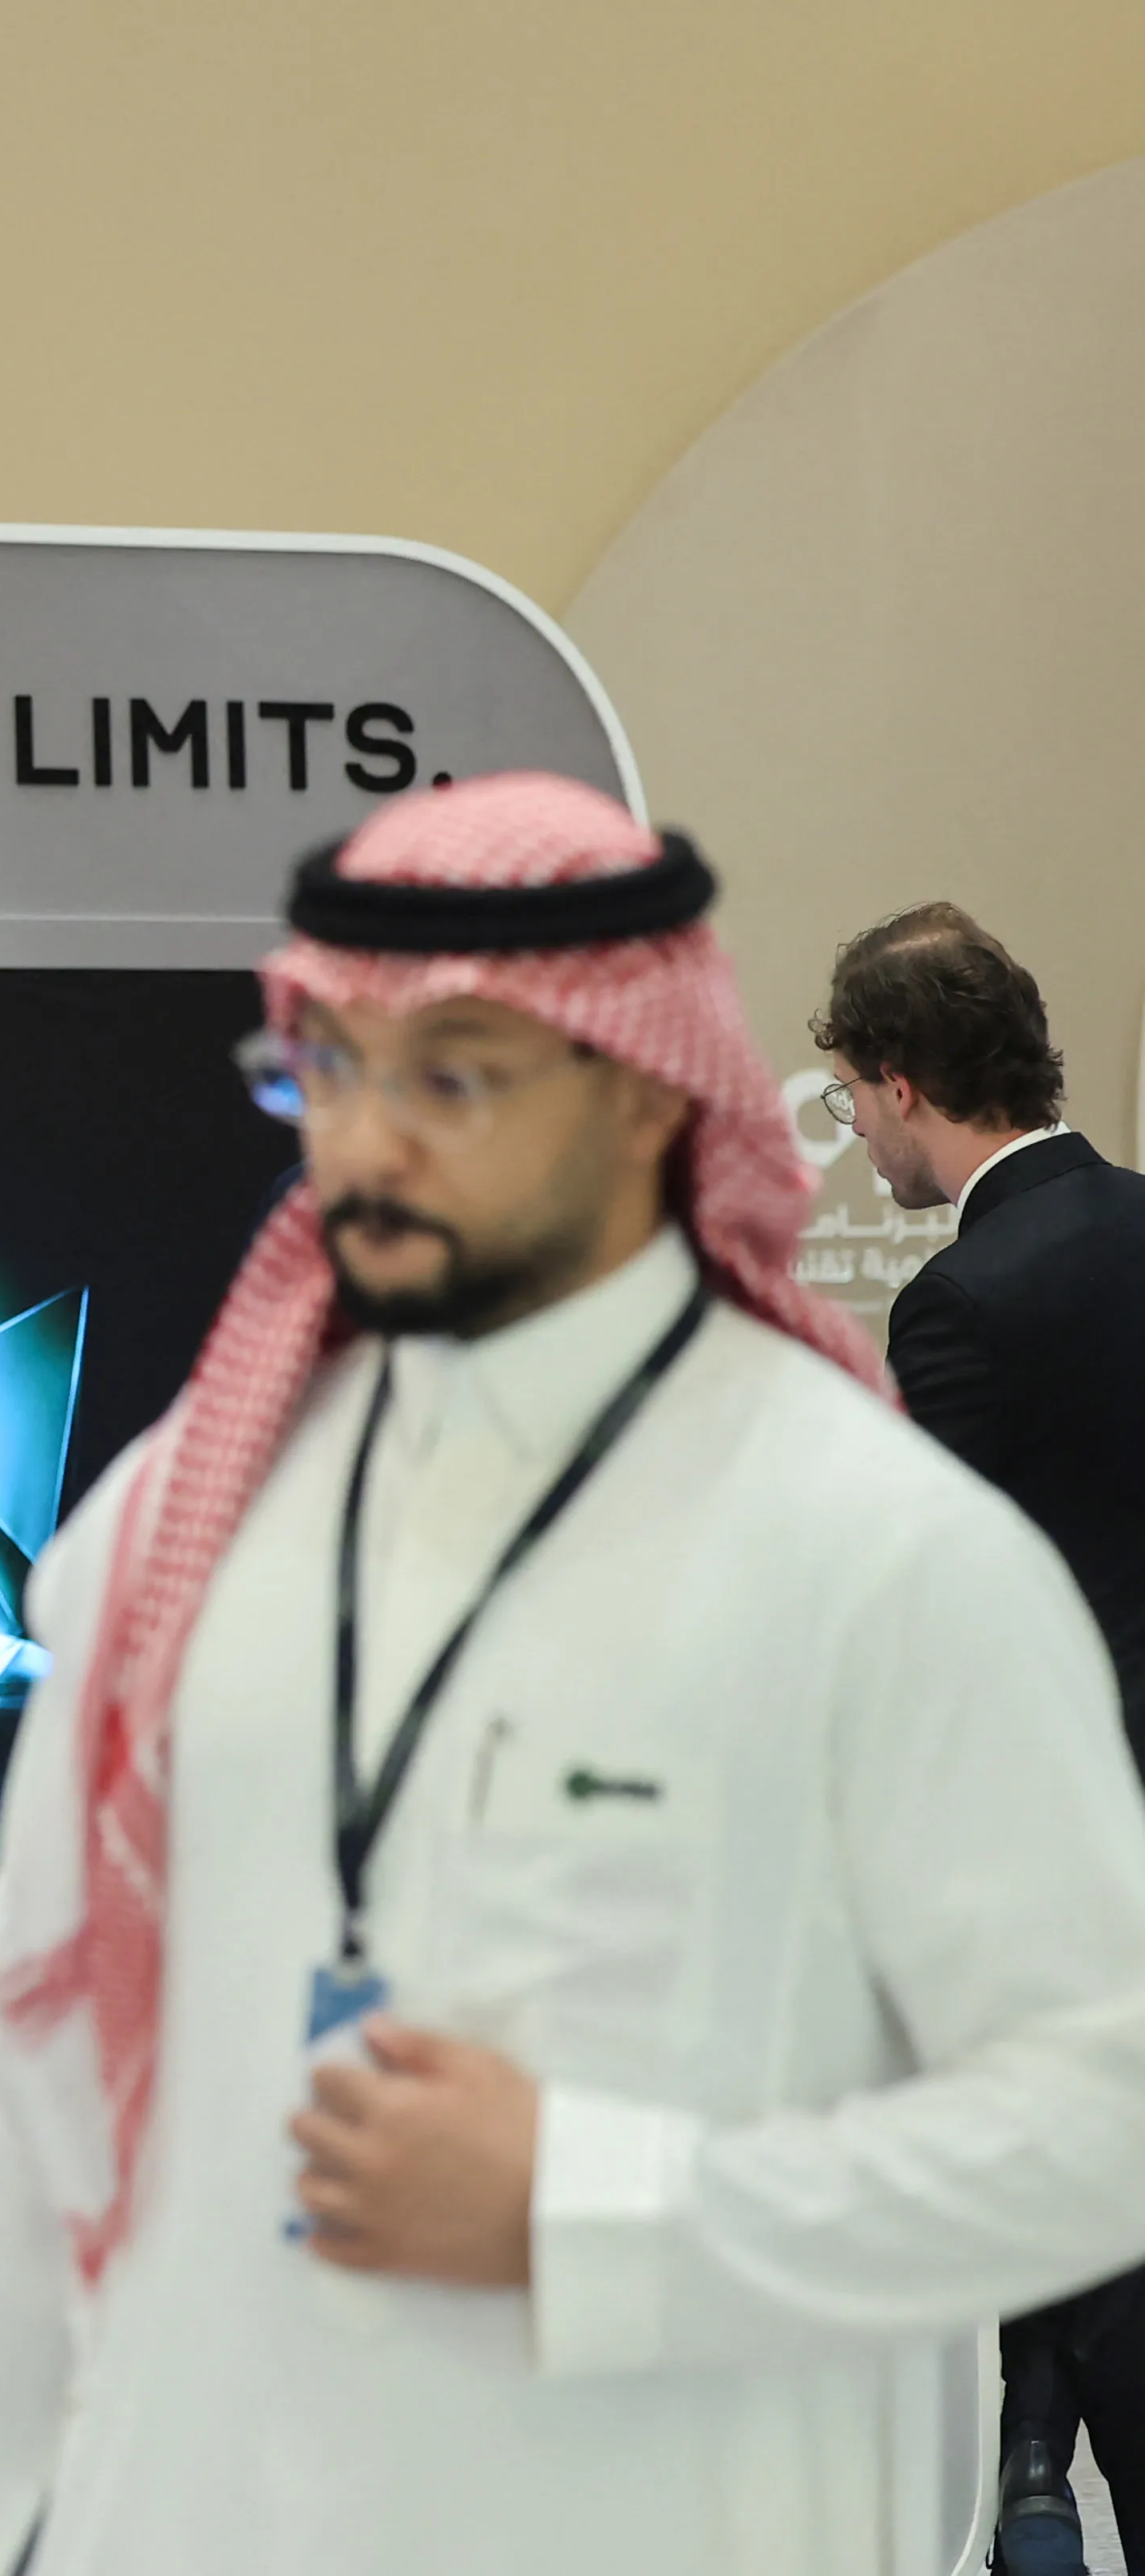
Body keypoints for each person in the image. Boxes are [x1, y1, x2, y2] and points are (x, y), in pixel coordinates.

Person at [0, 775, 1145, 2576]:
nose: (367, 1140)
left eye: (450, 1076)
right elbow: (9, 2130)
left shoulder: (871, 1552)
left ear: (642, 1098)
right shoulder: (169, 1527)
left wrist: (588, 2212)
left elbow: (1096, 2124)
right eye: (324, 1069)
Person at [815, 902, 1145, 2574]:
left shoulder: (961, 1302)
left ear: (900, 1081)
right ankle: (1034, 2455)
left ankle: (1034, 2457)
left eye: (848, 1101)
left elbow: (930, 1621)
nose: (855, 1136)